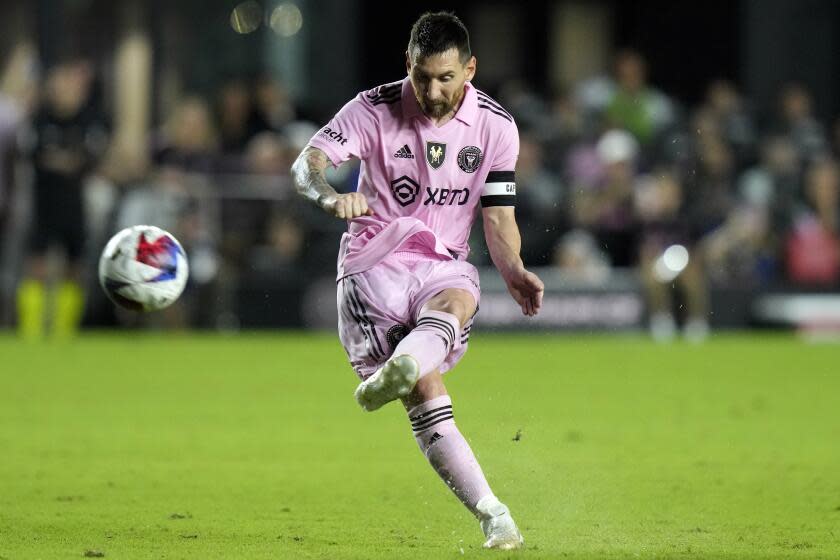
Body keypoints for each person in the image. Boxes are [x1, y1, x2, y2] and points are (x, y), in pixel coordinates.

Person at [290, 11, 543, 550]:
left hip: (441, 263)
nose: (432, 90)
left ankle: (495, 516)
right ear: (408, 63)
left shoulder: (496, 126)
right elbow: (305, 164)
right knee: (425, 390)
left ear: (470, 69)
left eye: (446, 78)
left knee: (457, 299)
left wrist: (514, 268)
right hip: (373, 263)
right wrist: (330, 195)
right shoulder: (372, 107)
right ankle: (488, 506)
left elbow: (498, 218)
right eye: (422, 76)